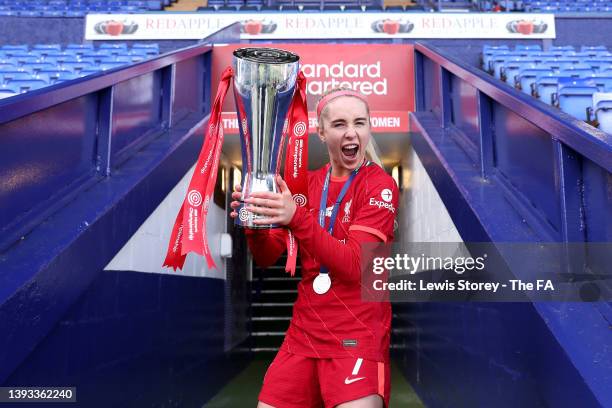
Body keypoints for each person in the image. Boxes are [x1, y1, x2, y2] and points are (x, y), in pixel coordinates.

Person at [230, 87, 399, 408]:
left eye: (359, 122)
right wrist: (255, 224)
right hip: (304, 336)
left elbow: (353, 265)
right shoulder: (306, 184)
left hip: (355, 337)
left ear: (368, 127)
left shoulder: (380, 185)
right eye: (339, 124)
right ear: (320, 132)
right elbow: (267, 257)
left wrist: (295, 216)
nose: (352, 132)